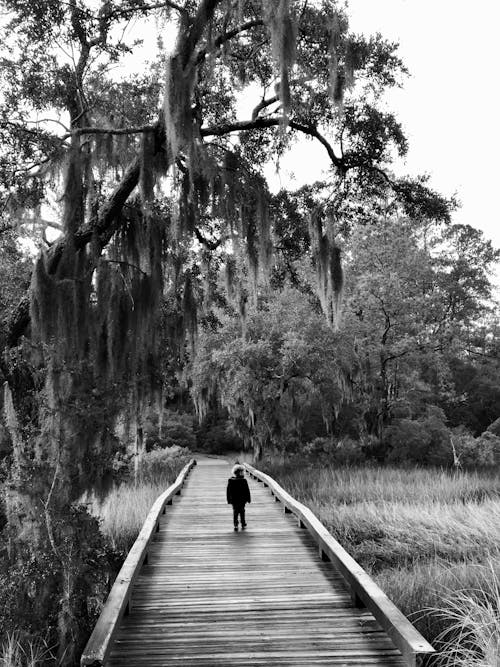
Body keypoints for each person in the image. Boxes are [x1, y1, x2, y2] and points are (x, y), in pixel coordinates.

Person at [226, 463, 251, 531]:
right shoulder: (241, 481)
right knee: (239, 511)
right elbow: (228, 491)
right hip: (238, 500)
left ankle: (240, 523)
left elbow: (247, 490)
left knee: (238, 511)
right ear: (238, 473)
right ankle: (239, 523)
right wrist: (248, 499)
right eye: (242, 472)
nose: (243, 473)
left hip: (238, 500)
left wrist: (248, 498)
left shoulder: (232, 481)